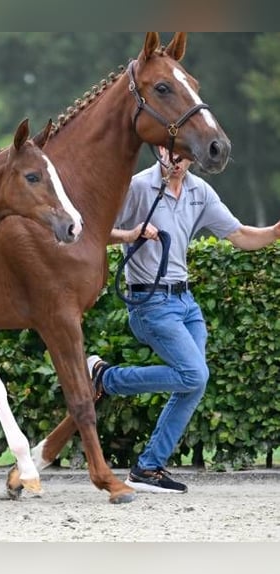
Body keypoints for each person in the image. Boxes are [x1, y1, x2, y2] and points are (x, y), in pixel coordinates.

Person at [88, 146, 280, 494]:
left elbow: (239, 235)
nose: (175, 159)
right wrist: (130, 235)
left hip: (186, 304)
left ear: (191, 156)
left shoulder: (199, 191)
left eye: (182, 154)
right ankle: (107, 378)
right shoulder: (137, 187)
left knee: (194, 382)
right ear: (159, 149)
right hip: (149, 303)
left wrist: (276, 231)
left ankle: (147, 468)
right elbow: (96, 232)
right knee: (194, 373)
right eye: (169, 151)